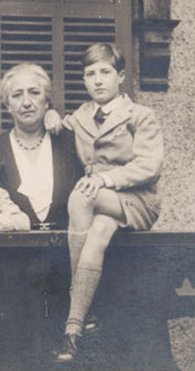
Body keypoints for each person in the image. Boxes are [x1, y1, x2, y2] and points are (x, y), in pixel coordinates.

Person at [46, 43, 164, 361]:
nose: (97, 80)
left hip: (137, 200)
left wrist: (104, 179)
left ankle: (76, 302)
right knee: (97, 235)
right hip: (100, 207)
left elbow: (149, 167)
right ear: (83, 80)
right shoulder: (81, 117)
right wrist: (51, 114)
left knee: (80, 196)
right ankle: (77, 325)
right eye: (90, 74)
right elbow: (58, 127)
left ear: (121, 76)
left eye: (105, 72)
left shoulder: (140, 116)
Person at [0, 63, 80, 230]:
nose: (26, 102)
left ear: (46, 101)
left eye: (34, 93)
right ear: (7, 105)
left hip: (66, 251)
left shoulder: (70, 142)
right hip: (11, 252)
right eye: (17, 95)